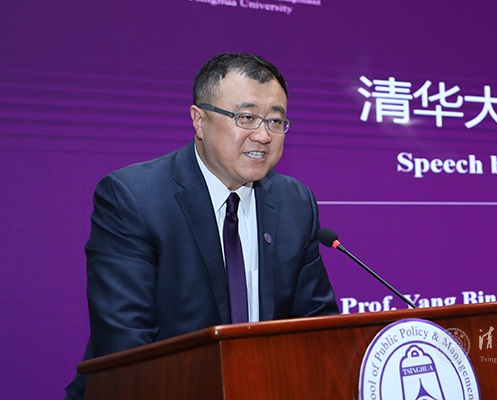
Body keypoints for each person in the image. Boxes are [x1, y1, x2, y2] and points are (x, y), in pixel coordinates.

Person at [64, 53, 339, 399]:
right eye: (246, 117)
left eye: (275, 120)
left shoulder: (295, 202)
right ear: (199, 120)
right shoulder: (133, 197)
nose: (263, 135)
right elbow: (126, 344)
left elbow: (316, 327)